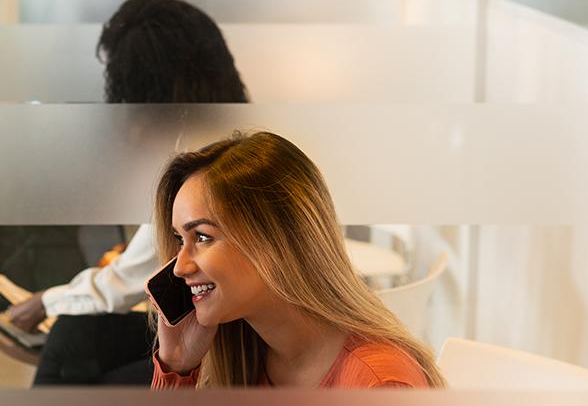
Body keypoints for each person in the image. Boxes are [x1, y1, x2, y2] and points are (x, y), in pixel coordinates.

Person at [7, 0, 248, 384]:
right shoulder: (227, 137)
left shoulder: (203, 162)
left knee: (80, 353)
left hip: (230, 344)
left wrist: (46, 302)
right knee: (76, 338)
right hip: (216, 326)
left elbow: (125, 284)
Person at [150, 131, 446, 389]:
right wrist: (176, 366)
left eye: (202, 237)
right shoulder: (246, 362)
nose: (179, 267)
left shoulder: (377, 386)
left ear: (275, 241)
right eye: (180, 240)